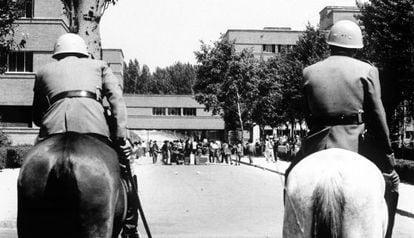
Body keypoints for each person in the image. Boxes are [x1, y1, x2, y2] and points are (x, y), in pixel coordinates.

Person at [285, 20, 399, 238]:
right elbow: (377, 115)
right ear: (356, 48)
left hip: (319, 142)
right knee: (391, 184)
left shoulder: (309, 72)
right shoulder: (367, 70)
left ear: (329, 45)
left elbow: (307, 113)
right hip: (356, 142)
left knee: (292, 176)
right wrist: (388, 155)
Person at [32, 33, 139, 237]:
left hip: (52, 129)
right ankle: (130, 229)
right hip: (94, 126)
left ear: (57, 53)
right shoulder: (99, 65)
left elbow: (37, 116)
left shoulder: (43, 71)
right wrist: (120, 138)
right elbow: (116, 100)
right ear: (84, 52)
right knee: (126, 169)